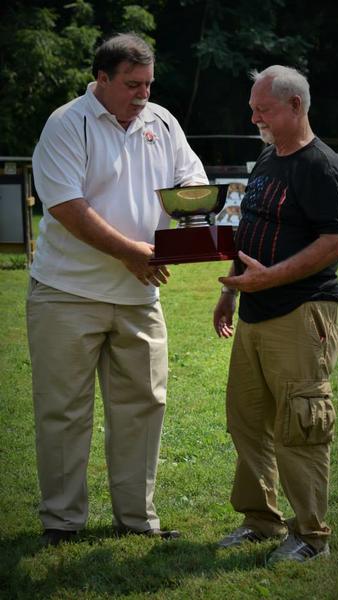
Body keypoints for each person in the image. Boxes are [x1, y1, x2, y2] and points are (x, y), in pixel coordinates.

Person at [27, 32, 208, 546]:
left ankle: (137, 519)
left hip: (140, 294)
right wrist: (133, 251)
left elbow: (188, 183)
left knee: (144, 405)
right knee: (63, 409)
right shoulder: (67, 123)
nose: (142, 94)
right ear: (101, 79)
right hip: (66, 292)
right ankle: (62, 522)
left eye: (148, 84)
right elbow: (65, 206)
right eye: (132, 84)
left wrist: (198, 215)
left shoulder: (163, 121)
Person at [213, 65, 338, 565]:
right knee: (248, 420)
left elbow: (336, 242)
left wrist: (269, 279)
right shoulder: (269, 157)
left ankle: (311, 537)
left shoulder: (321, 166)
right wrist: (232, 291)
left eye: (263, 109)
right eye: (253, 108)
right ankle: (260, 522)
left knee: (301, 423)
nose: (254, 117)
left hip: (301, 313)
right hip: (253, 310)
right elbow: (251, 226)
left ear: (296, 106)